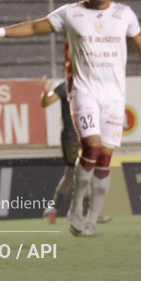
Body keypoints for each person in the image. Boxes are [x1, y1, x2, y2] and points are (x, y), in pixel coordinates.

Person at [0, 0, 141, 237]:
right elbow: (34, 27)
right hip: (83, 92)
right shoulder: (71, 13)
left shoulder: (124, 14)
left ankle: (91, 221)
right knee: (91, 148)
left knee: (105, 158)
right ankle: (76, 209)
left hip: (114, 97)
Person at [39, 76, 112, 225]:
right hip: (72, 137)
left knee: (70, 174)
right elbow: (46, 102)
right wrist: (46, 93)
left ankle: (52, 209)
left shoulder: (89, 86)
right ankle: (90, 212)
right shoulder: (66, 86)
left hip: (82, 135)